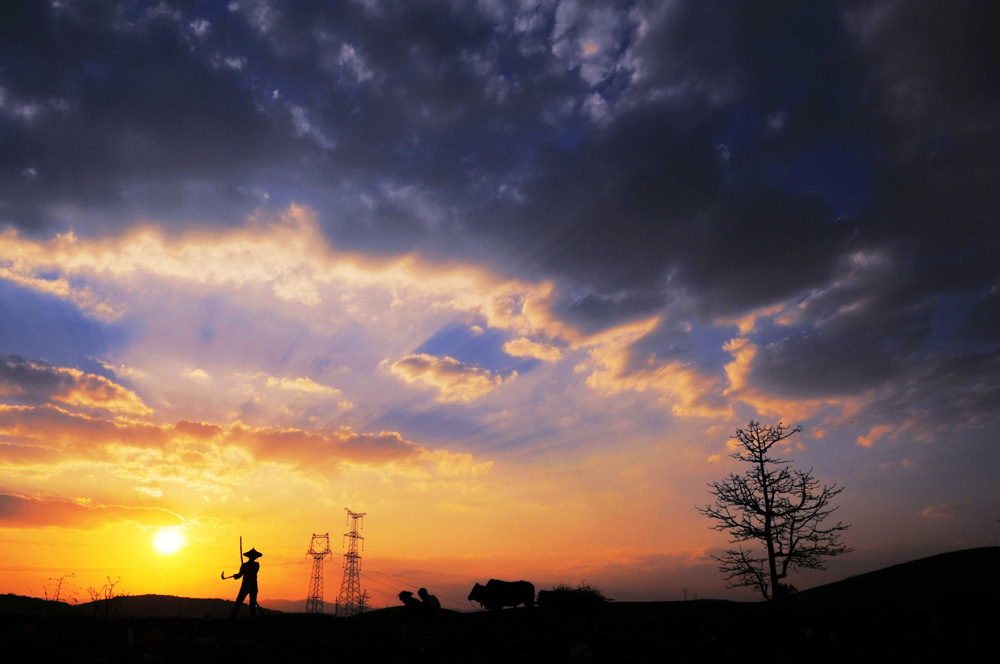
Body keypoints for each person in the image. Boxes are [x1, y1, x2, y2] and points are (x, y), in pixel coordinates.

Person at [230, 547, 262, 619]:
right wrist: (236, 576)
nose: (253, 557)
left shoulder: (256, 564)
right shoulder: (244, 565)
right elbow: (240, 575)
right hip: (245, 586)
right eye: (252, 556)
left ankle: (252, 618)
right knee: (238, 602)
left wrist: (245, 570)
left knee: (252, 604)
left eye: (254, 556)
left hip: (253, 586)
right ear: (249, 556)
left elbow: (253, 572)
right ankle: (232, 618)